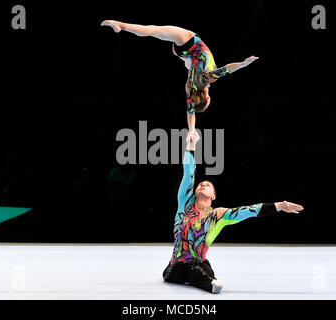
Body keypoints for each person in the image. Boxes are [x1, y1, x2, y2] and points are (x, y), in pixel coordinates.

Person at [162, 130, 304, 294]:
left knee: (202, 267)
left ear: (213, 196)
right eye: (201, 184)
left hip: (199, 262)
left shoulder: (218, 215)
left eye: (207, 185)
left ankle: (207, 280)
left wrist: (279, 205)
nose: (202, 185)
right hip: (175, 267)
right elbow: (189, 173)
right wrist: (190, 145)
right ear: (193, 193)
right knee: (187, 269)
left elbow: (247, 211)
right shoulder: (185, 204)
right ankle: (208, 283)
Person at [100, 20, 259, 133]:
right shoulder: (190, 87)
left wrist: (244, 63)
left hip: (190, 41)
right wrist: (191, 131)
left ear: (209, 98)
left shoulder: (208, 79)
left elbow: (227, 69)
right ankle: (122, 26)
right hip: (181, 53)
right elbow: (190, 112)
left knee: (154, 30)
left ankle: (122, 25)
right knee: (165, 42)